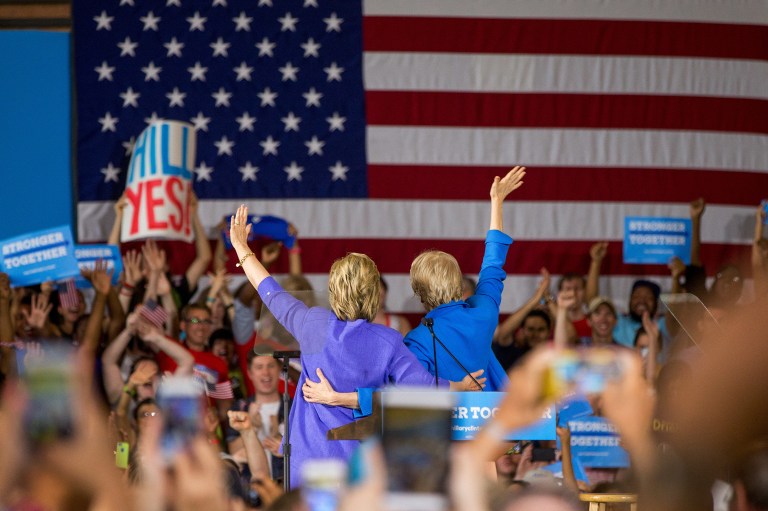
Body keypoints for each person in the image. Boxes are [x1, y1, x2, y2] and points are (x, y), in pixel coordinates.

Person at [229, 204, 484, 487]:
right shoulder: (388, 341)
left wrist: (242, 248)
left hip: (308, 463)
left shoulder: (312, 323)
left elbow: (269, 291)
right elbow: (423, 389)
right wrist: (460, 385)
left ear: (334, 291)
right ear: (374, 294)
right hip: (360, 469)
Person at [405, 166, 526, 391]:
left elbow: (415, 390)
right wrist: (497, 202)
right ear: (459, 284)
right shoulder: (483, 313)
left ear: (419, 294)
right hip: (493, 412)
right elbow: (492, 265)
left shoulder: (416, 341)